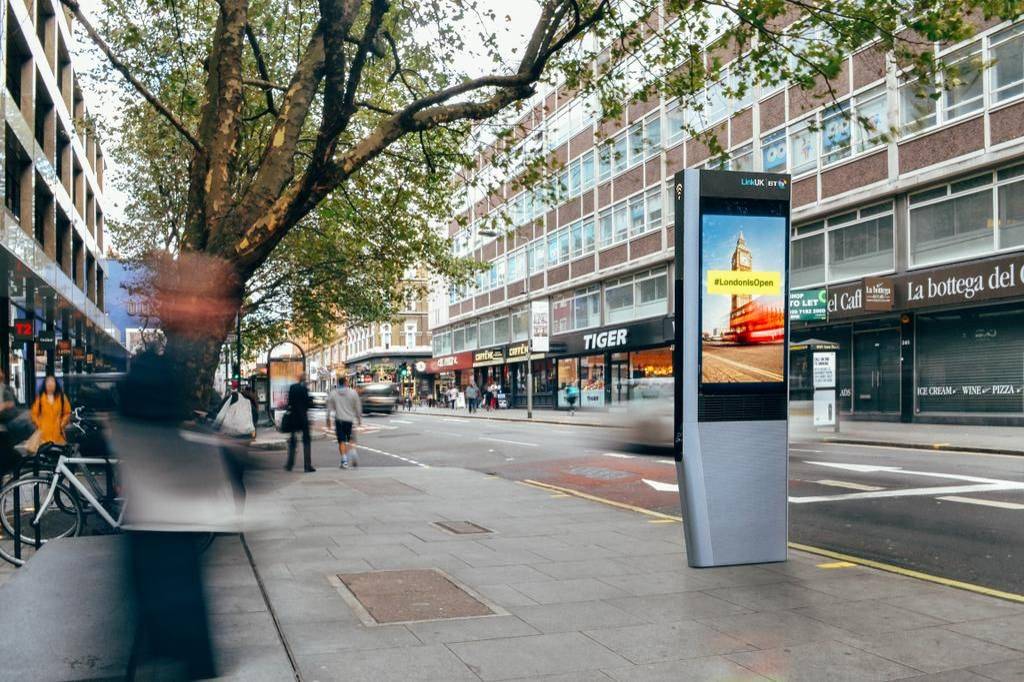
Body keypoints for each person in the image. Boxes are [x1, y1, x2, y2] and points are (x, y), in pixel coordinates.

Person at [326, 377, 362, 468]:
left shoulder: (333, 393)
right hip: (350, 420)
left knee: (341, 441)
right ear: (346, 383)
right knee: (351, 439)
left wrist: (328, 420)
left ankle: (344, 461)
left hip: (339, 420)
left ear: (338, 383)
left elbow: (329, 408)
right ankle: (353, 453)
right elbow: (358, 407)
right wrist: (359, 419)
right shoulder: (353, 393)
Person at [284, 372, 314, 472]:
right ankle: (307, 465)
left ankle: (289, 464)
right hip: (303, 418)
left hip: (293, 418)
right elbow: (308, 404)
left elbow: (289, 402)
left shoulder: (292, 387)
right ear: (304, 379)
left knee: (292, 441)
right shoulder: (305, 389)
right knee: (306, 441)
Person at [31, 374, 72, 446]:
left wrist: (62, 423)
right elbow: (34, 413)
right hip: (43, 436)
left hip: (58, 435)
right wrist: (39, 425)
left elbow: (67, 412)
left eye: (52, 381)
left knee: (58, 454)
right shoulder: (40, 398)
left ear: (56, 384)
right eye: (48, 382)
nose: (50, 384)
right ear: (45, 384)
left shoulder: (62, 397)